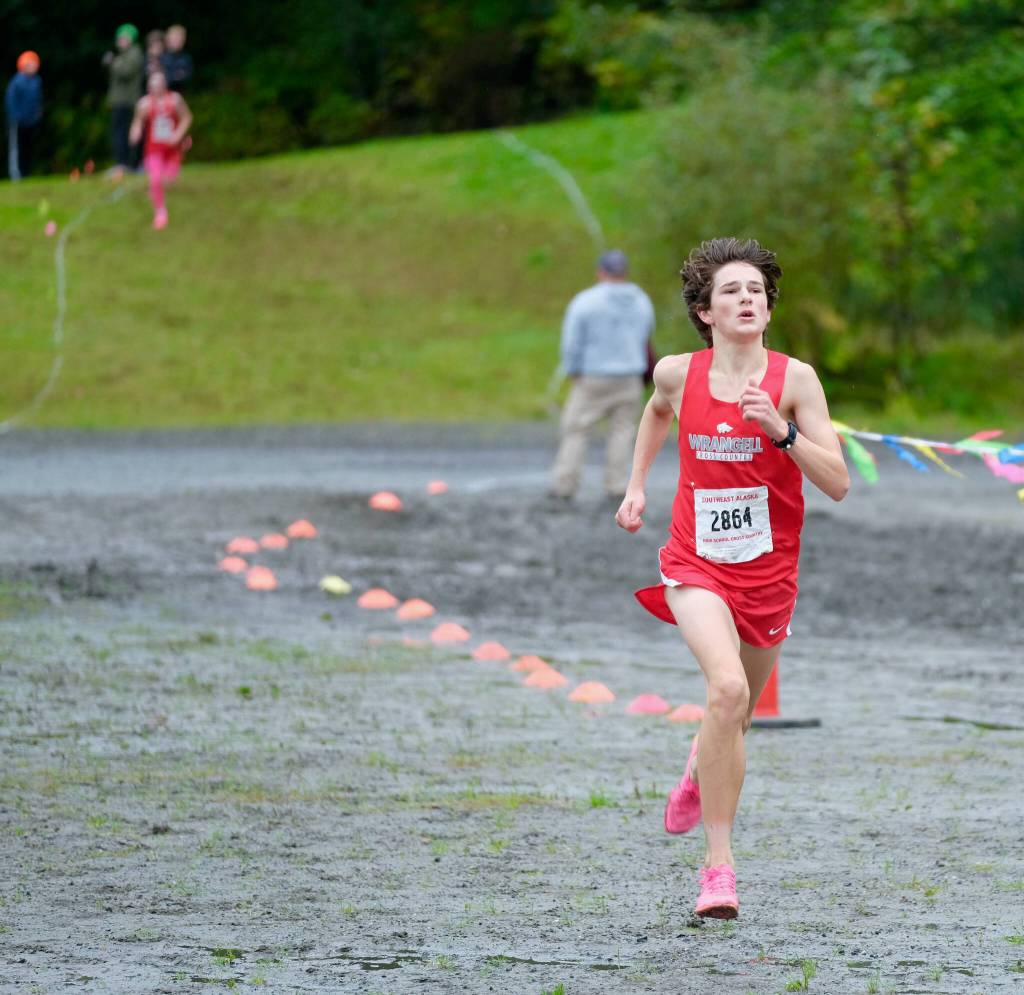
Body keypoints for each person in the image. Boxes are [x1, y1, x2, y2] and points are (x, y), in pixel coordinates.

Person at [615, 237, 849, 919]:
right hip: (695, 562)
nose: (747, 299)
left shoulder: (796, 380)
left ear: (769, 307)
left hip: (770, 571)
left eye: (756, 290)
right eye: (731, 291)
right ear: (705, 311)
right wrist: (636, 489)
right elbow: (656, 412)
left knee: (735, 712)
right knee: (726, 687)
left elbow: (835, 482)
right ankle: (719, 869)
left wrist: (780, 431)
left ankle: (698, 762)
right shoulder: (676, 373)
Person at [550, 249, 655, 502]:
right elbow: (646, 335)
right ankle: (617, 485)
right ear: (624, 272)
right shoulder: (641, 300)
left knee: (576, 428)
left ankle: (565, 484)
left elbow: (572, 342)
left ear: (600, 272)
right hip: (630, 375)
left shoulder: (585, 301)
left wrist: (573, 369)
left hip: (594, 376)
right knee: (623, 431)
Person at [129, 71, 192, 229]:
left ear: (164, 84)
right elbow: (137, 122)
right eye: (153, 85)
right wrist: (135, 132)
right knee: (155, 179)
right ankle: (160, 212)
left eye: (159, 84)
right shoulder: (144, 104)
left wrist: (178, 135)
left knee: (169, 180)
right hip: (153, 149)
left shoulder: (175, 100)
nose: (155, 87)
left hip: (172, 149)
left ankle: (157, 193)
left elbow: (187, 117)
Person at [103, 24, 143, 172]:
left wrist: (112, 62)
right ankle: (123, 163)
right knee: (119, 133)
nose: (120, 41)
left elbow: (126, 72)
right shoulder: (124, 54)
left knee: (126, 133)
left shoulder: (134, 53)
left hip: (127, 101)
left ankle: (127, 164)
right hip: (119, 101)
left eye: (124, 38)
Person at [5, 51, 42, 182]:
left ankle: (27, 173)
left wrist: (37, 114)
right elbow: (11, 101)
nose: (33, 66)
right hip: (18, 121)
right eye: (30, 64)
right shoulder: (17, 82)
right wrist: (16, 117)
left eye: (35, 64)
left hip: (31, 121)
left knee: (28, 148)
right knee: (17, 148)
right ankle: (16, 174)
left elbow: (37, 101)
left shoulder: (37, 81)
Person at [161, 25, 194, 93]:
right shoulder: (160, 55)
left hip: (179, 95)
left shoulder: (186, 58)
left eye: (180, 39)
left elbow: (188, 77)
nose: (178, 42)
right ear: (167, 39)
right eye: (175, 39)